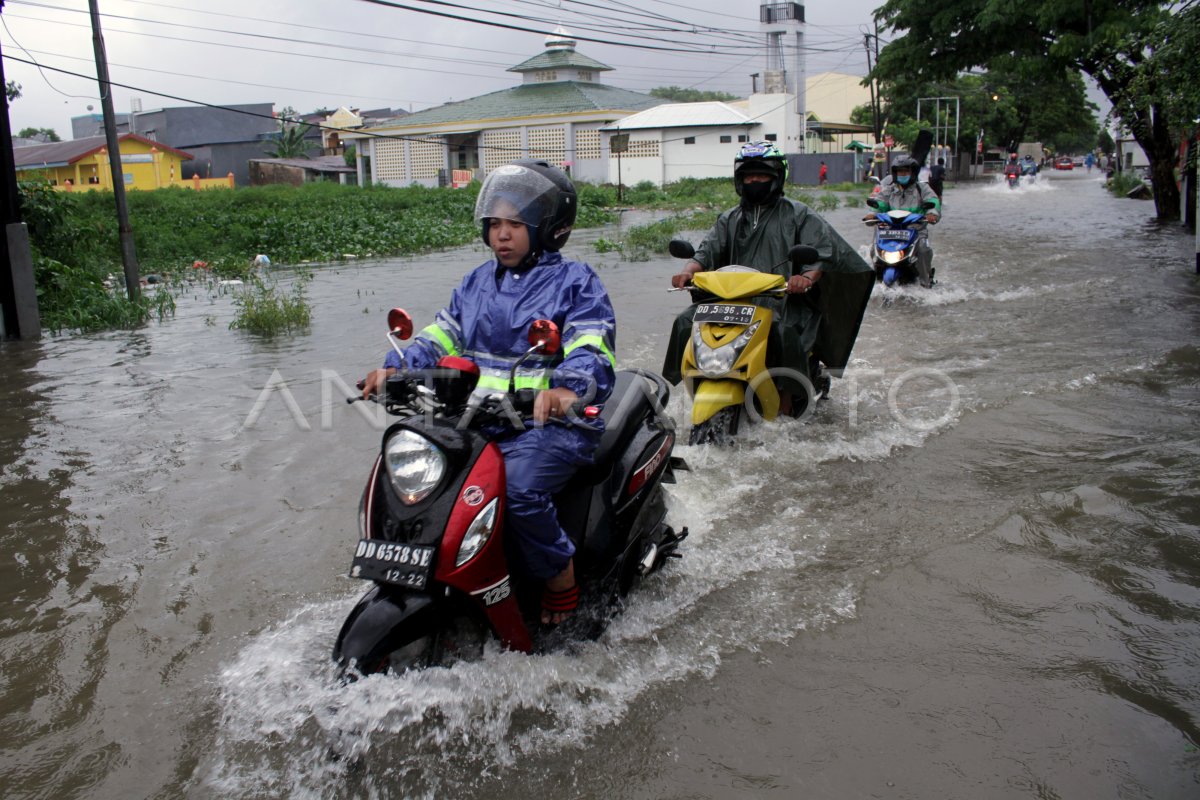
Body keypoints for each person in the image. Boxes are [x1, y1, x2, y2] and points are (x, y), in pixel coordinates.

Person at [360, 159, 616, 626]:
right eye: (495, 223)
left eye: (516, 224)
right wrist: (393, 367)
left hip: (550, 426)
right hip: (479, 421)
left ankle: (560, 575)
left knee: (517, 492)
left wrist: (566, 389)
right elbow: (441, 335)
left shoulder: (576, 282)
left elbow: (591, 342)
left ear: (551, 229)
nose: (502, 234)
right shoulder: (477, 283)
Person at [662, 141, 874, 415]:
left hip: (782, 301)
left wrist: (805, 278)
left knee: (785, 334)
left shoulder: (799, 215)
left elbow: (819, 255)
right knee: (684, 321)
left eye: (761, 175)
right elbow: (705, 252)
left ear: (776, 178)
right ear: (740, 179)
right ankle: (686, 384)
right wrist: (687, 272)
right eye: (749, 175)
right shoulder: (729, 219)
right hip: (730, 302)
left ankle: (785, 406)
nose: (754, 180)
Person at [866, 153, 942, 287]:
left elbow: (933, 201)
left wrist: (932, 214)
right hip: (890, 231)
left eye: (906, 171)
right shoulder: (889, 190)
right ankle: (875, 281)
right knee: (874, 250)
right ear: (895, 173)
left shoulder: (922, 188)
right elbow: (879, 203)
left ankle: (925, 282)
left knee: (924, 250)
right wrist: (872, 214)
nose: (903, 174)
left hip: (915, 230)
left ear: (912, 172)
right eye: (900, 171)